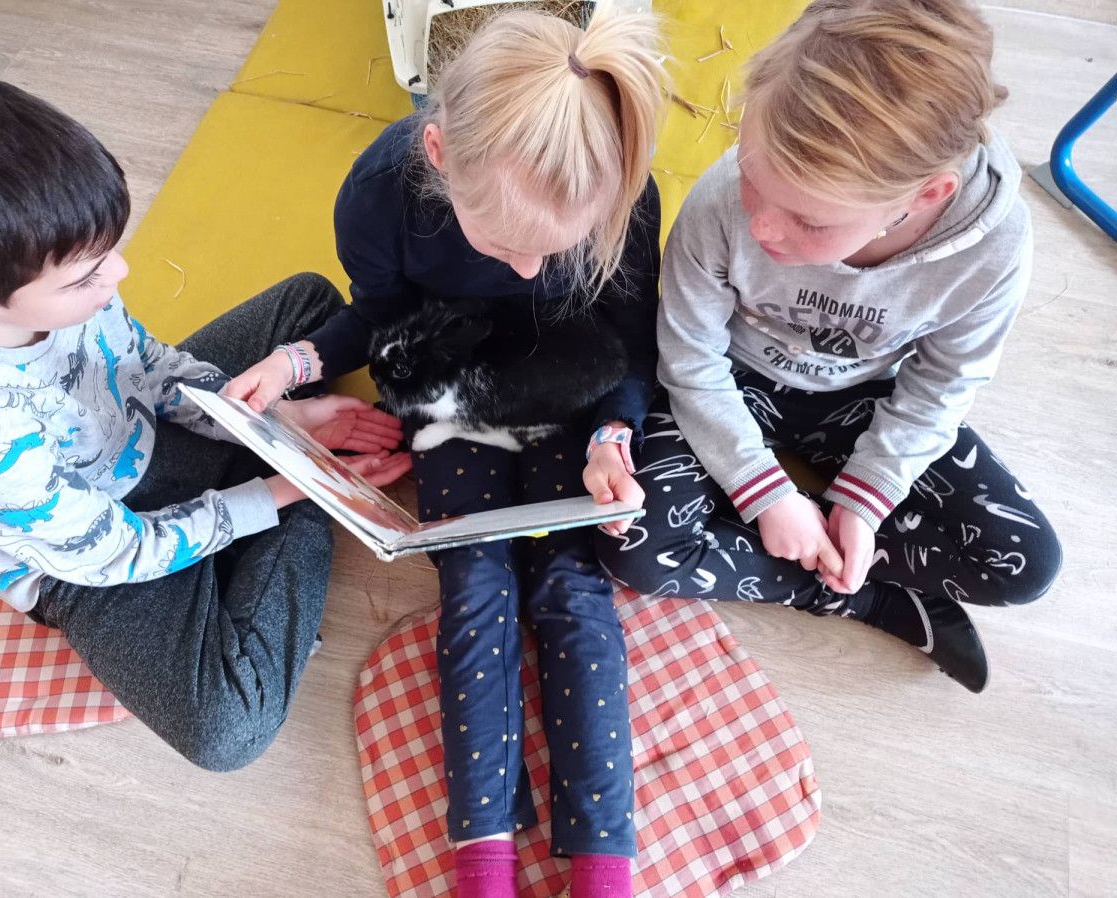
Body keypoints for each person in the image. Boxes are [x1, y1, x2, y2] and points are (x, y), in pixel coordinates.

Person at [226, 7, 666, 896]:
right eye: (504, 245)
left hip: (571, 382)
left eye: (555, 250)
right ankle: (484, 858)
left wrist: (613, 439)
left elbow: (631, 344)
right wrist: (296, 361)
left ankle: (604, 865)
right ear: (437, 155)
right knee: (472, 582)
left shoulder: (618, 179)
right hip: (449, 377)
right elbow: (378, 322)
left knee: (573, 585)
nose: (529, 271)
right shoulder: (378, 194)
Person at [0, 57, 410, 770]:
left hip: (136, 432)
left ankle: (253, 502)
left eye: (109, 253)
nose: (118, 275)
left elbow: (143, 363)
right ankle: (293, 510)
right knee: (227, 729)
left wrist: (276, 421)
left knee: (307, 302)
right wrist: (288, 488)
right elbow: (116, 551)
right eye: (89, 276)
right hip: (89, 557)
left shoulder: (45, 268)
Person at [597, 0, 1062, 695]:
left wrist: (866, 499)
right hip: (729, 382)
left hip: (862, 396)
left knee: (1025, 565)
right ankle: (865, 598)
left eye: (809, 220)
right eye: (750, 175)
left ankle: (808, 543)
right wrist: (763, 493)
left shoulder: (993, 249)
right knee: (630, 546)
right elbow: (690, 360)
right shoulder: (721, 202)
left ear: (925, 195)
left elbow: (943, 385)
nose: (762, 227)